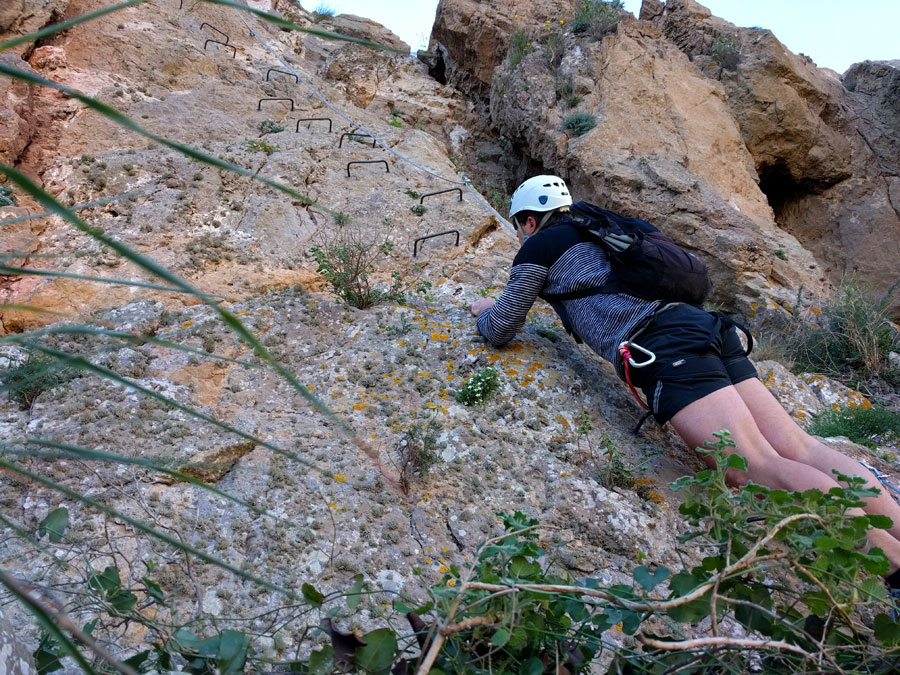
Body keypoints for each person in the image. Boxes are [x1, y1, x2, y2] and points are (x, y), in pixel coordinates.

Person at [470, 174, 900, 584]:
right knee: (800, 447)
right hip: (705, 327)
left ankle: (894, 566)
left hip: (665, 346)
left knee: (750, 466)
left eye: (520, 226)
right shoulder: (604, 227)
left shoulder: (539, 245)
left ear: (529, 220)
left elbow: (503, 325)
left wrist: (481, 312)